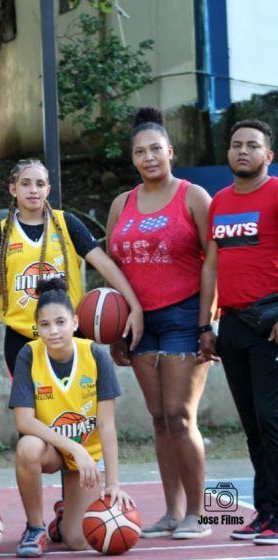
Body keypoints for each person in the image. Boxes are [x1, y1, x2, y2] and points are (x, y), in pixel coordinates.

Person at [106, 108, 213, 539]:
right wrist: (113, 327)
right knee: (158, 418)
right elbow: (112, 267)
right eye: (139, 151)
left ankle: (201, 514)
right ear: (133, 158)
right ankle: (172, 512)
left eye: (155, 149)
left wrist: (207, 322)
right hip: (138, 321)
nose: (149, 157)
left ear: (170, 151)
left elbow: (213, 262)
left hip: (185, 314)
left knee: (180, 415)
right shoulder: (122, 203)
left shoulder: (194, 196)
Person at [10, 278, 133, 557]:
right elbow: (24, 422)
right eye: (45, 325)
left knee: (79, 540)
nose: (53, 331)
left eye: (60, 322)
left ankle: (64, 518)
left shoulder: (95, 356)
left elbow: (107, 424)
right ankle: (35, 527)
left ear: (75, 322)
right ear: (36, 327)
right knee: (27, 447)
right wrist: (73, 447)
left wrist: (113, 483)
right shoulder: (28, 355)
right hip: (54, 450)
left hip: (88, 458)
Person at [0, 159, 143, 377]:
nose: (33, 190)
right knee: (30, 409)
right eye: (25, 184)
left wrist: (134, 305)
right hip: (22, 339)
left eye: (40, 184)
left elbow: (105, 265)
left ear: (48, 189)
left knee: (75, 407)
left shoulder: (67, 223)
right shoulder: (1, 233)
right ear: (13, 189)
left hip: (71, 334)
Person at [200, 119, 278, 545]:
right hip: (230, 325)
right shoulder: (220, 202)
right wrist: (205, 325)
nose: (242, 151)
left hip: (270, 324)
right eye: (235, 145)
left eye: (252, 145)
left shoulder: (277, 192)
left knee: (272, 420)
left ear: (268, 155)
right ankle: (264, 513)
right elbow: (210, 265)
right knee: (251, 423)